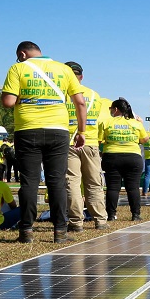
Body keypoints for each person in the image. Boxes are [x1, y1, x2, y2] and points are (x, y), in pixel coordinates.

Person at [0, 40, 86, 243]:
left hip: (27, 130)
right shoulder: (63, 69)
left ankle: (26, 230)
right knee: (56, 181)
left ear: (22, 54)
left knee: (29, 181)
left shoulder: (18, 68)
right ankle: (60, 232)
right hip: (58, 130)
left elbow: (8, 102)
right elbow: (80, 102)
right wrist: (81, 131)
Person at [64, 61, 105, 228]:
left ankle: (76, 221)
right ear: (81, 76)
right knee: (94, 182)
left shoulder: (62, 94)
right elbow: (100, 121)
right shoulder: (95, 95)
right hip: (91, 142)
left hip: (69, 142)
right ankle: (101, 220)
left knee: (72, 182)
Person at [98, 97, 148, 221]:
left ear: (115, 109)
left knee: (113, 187)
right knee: (133, 187)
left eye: (110, 109)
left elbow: (99, 139)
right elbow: (144, 139)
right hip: (133, 157)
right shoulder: (135, 123)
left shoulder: (106, 122)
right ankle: (135, 214)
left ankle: (111, 215)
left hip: (112, 157)